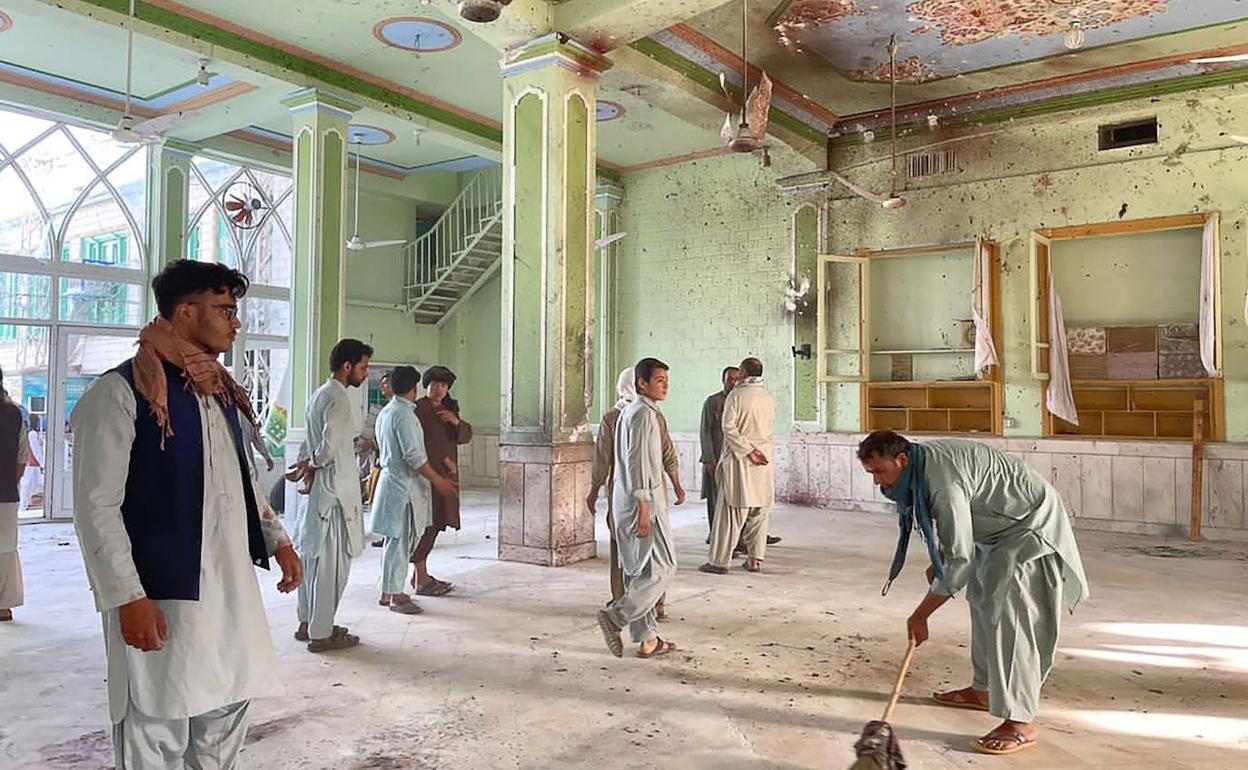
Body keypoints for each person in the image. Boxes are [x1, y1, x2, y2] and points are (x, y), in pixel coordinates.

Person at [71, 259, 301, 766]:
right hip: (163, 598)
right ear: (186, 312)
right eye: (225, 310)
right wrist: (127, 596)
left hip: (230, 594)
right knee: (158, 724)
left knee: (226, 713)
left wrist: (277, 538)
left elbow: (241, 479)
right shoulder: (122, 392)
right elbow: (96, 507)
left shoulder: (217, 391)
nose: (235, 322)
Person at [857, 430, 1090, 756]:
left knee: (1011, 617)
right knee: (982, 600)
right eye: (871, 473)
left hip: (1028, 526)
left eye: (880, 472)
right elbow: (956, 523)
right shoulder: (923, 465)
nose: (877, 482)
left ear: (902, 460)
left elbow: (960, 563)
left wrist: (920, 616)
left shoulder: (941, 481)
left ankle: (1021, 722)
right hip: (995, 529)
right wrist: (943, 555)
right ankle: (984, 689)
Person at [287, 338, 372, 651]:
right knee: (331, 568)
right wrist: (312, 464)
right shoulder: (337, 397)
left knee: (312, 560)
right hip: (334, 495)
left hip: (323, 493)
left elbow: (312, 442)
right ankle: (321, 633)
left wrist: (307, 464)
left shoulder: (319, 394)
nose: (365, 373)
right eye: (363, 367)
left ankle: (307, 622)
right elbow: (329, 446)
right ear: (347, 366)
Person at [595, 358, 678, 659]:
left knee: (639, 571)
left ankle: (648, 639)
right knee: (664, 567)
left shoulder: (630, 412)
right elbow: (637, 463)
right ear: (642, 383)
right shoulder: (643, 415)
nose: (665, 385)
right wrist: (644, 507)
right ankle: (615, 617)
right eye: (659, 380)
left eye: (666, 380)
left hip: (627, 500)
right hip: (643, 502)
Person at [369, 366, 457, 614]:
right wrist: (438, 481)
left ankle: (387, 591)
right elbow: (415, 458)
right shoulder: (405, 415)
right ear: (414, 388)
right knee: (399, 543)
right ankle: (395, 594)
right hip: (403, 488)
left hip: (393, 483)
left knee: (394, 543)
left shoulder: (387, 412)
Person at [700, 357, 776, 575]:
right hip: (764, 460)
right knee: (759, 512)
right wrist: (756, 450)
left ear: (743, 372)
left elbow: (728, 428)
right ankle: (754, 561)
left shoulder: (736, 396)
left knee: (731, 513)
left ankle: (719, 562)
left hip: (740, 460)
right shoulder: (769, 397)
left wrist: (748, 451)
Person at [410, 366, 470, 597]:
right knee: (427, 524)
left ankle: (420, 575)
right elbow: (418, 446)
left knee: (437, 523)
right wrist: (442, 461)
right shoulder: (418, 410)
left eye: (444, 385)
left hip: (446, 476)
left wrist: (455, 421)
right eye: (435, 384)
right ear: (426, 386)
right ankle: (421, 577)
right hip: (428, 477)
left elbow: (466, 435)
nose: (439, 390)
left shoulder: (448, 409)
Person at [0, 371, 29, 622]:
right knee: (5, 550)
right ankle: (3, 605)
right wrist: (11, 481)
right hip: (6, 493)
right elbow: (22, 457)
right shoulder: (13, 414)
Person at [699, 366, 739, 542]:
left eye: (737, 379)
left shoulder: (740, 401)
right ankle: (716, 536)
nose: (734, 383)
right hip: (715, 459)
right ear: (723, 380)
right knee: (716, 500)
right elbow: (705, 431)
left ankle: (740, 539)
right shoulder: (713, 402)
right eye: (730, 379)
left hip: (735, 460)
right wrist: (708, 459)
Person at [18, 413, 42, 514]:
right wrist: (42, 464)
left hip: (32, 466)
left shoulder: (30, 433)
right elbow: (36, 451)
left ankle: (24, 507)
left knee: (30, 487)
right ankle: (23, 508)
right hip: (33, 465)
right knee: (28, 488)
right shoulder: (32, 434)